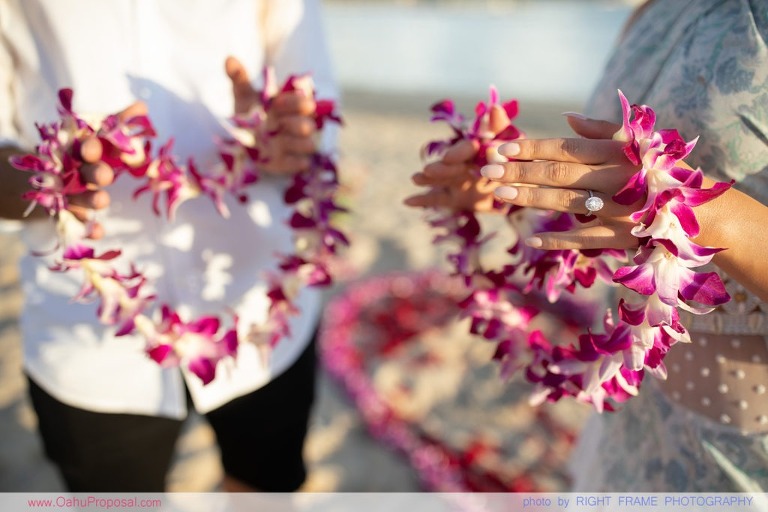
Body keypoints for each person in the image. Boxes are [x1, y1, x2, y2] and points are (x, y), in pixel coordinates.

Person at [407, 0, 768, 491]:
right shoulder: (658, 8)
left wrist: (702, 216)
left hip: (738, 447)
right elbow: (616, 198)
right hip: (625, 410)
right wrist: (519, 184)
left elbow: (672, 197)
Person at [0, 0, 338, 492]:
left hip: (263, 308)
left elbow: (317, 104)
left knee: (264, 491)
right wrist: (50, 180)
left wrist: (286, 136)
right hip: (91, 335)